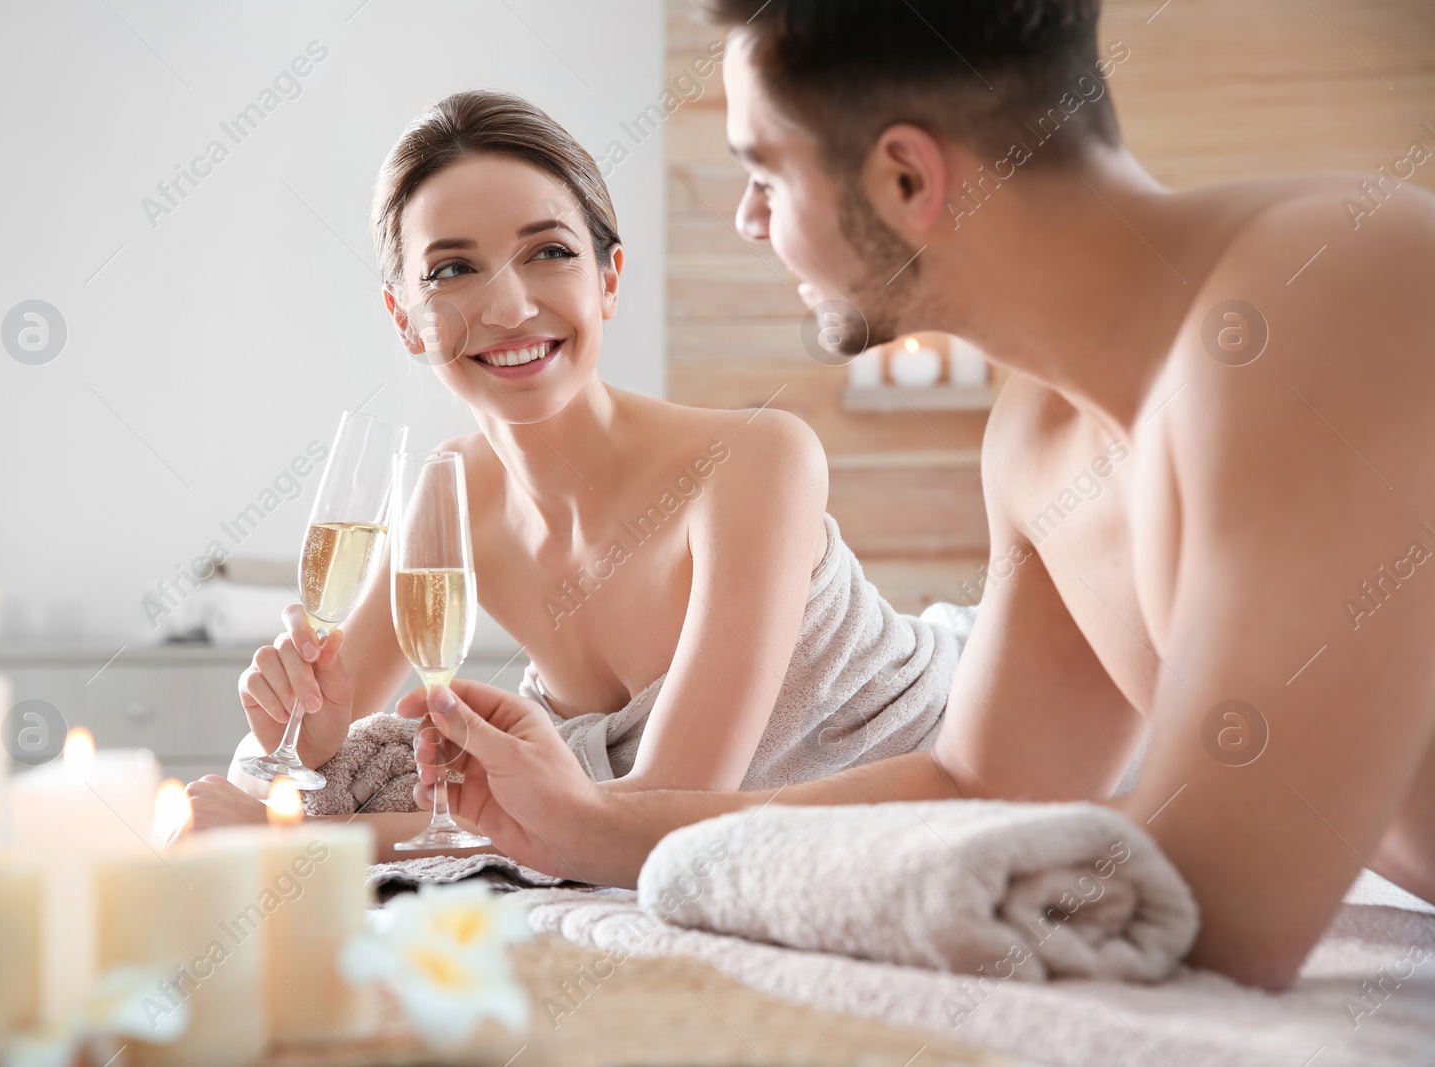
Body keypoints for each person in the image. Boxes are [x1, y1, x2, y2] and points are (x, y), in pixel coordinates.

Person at [389, 0, 1435, 991]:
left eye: (764, 171)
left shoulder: (1334, 285)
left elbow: (1222, 908)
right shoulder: (1037, 435)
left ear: (902, 178)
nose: (750, 219)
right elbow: (977, 784)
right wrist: (578, 822)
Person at [186, 91, 966, 846]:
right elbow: (296, 748)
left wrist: (309, 838)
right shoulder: (450, 495)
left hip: (943, 755)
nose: (509, 308)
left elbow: (659, 811)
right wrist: (310, 731)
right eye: (452, 270)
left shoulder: (759, 460)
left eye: (550, 252)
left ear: (609, 279)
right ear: (406, 320)